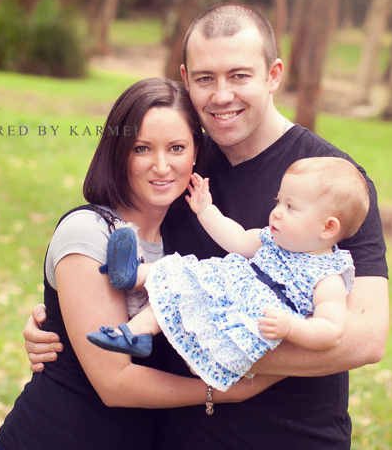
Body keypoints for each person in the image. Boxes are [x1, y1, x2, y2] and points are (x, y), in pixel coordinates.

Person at [24, 3, 389, 449]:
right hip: (175, 435)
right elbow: (112, 249)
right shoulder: (181, 163)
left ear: (273, 75)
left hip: (289, 437)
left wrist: (222, 352)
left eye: (239, 76)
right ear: (185, 79)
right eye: (204, 78)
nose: (221, 95)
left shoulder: (330, 184)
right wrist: (62, 328)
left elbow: (365, 337)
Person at [0, 77, 280, 450]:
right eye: (142, 148)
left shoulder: (183, 239)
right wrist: (223, 390)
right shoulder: (89, 231)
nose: (161, 166)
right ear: (119, 153)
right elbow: (114, 383)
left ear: (196, 153)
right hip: (57, 435)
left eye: (176, 147)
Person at [88, 158, 368, 395]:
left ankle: (137, 330)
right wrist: (205, 209)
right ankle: (130, 283)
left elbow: (331, 330)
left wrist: (292, 328)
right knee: (181, 274)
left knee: (184, 295)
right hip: (226, 282)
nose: (277, 213)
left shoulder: (327, 276)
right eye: (279, 201)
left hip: (247, 316)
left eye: (290, 207)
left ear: (328, 227)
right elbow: (235, 239)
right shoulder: (272, 239)